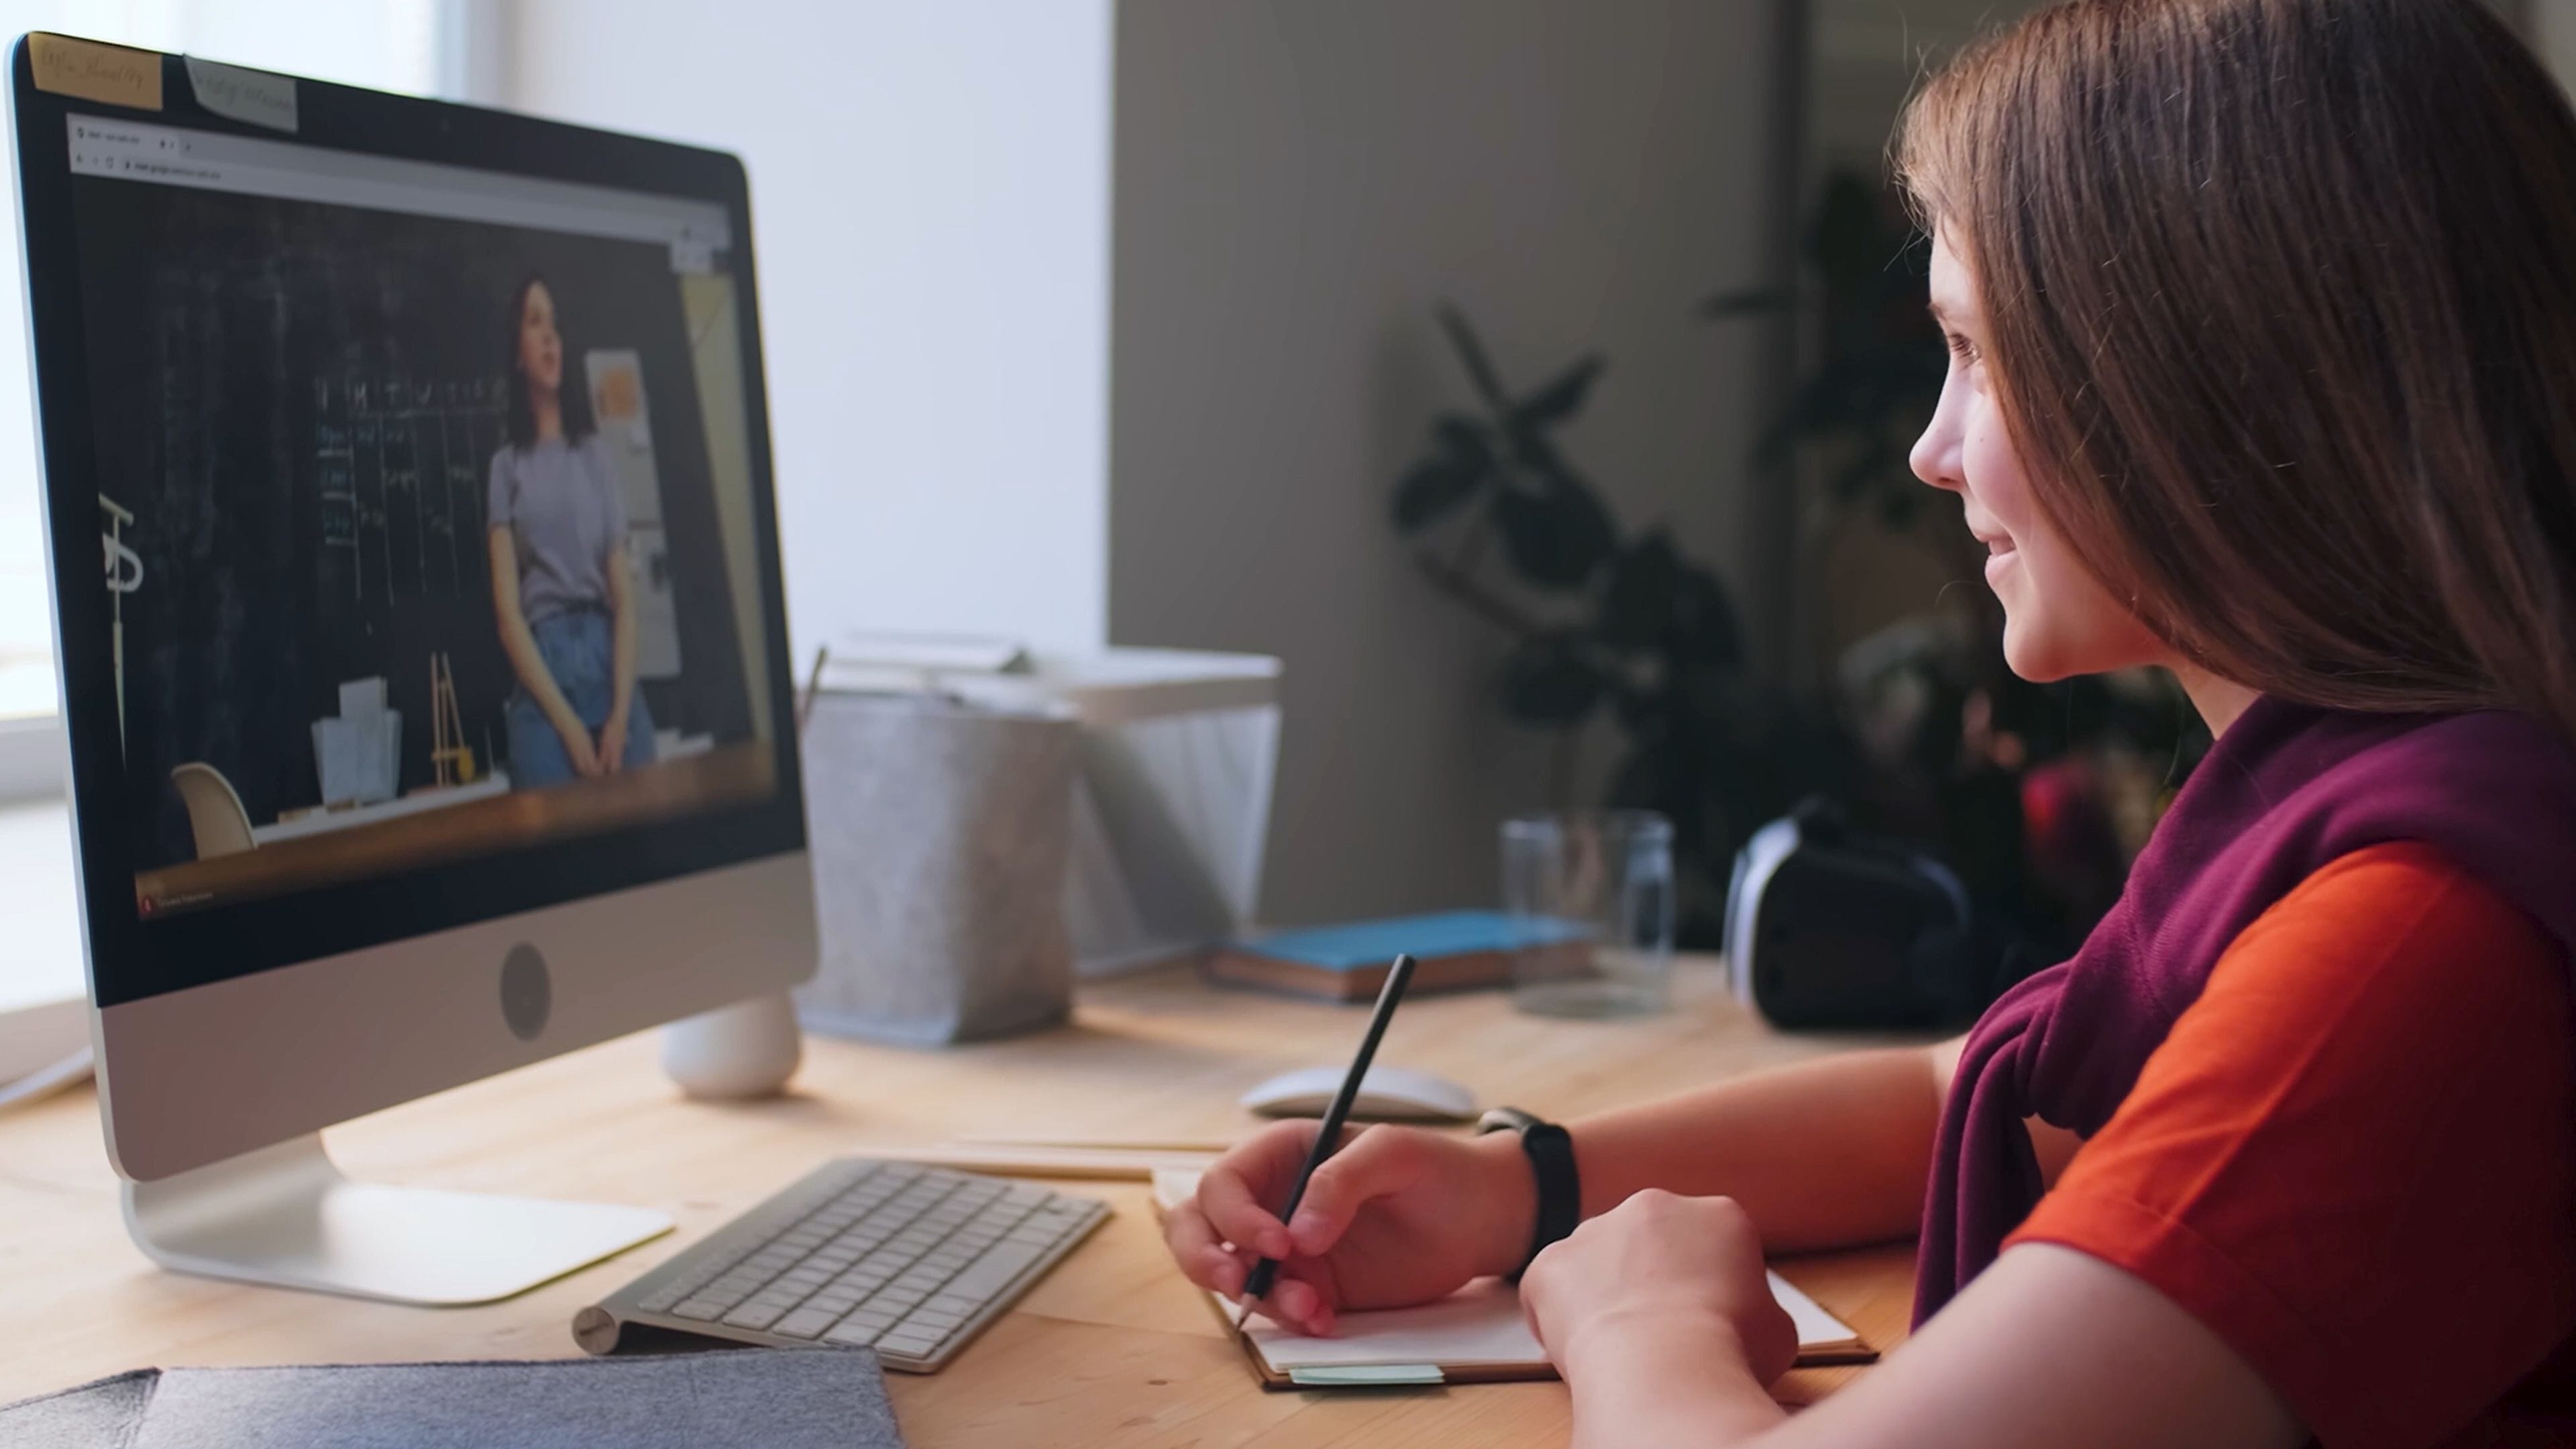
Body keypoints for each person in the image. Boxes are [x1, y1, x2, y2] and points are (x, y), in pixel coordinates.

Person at [1161, 2, 2576, 1444]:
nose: (1930, 451)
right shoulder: (2389, 803)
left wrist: (1641, 1320)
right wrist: (1514, 1189)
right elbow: (1977, 1091)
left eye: (1976, 351)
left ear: (2201, 380)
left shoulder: (2414, 944)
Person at [488, 275, 656, 787]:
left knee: (646, 816)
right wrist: (567, 726)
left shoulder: (596, 455)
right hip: (545, 675)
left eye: (555, 326)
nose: (549, 337)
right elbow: (508, 614)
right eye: (535, 322)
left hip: (609, 664)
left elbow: (625, 601)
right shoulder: (505, 467)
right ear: (518, 354)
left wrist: (620, 717)